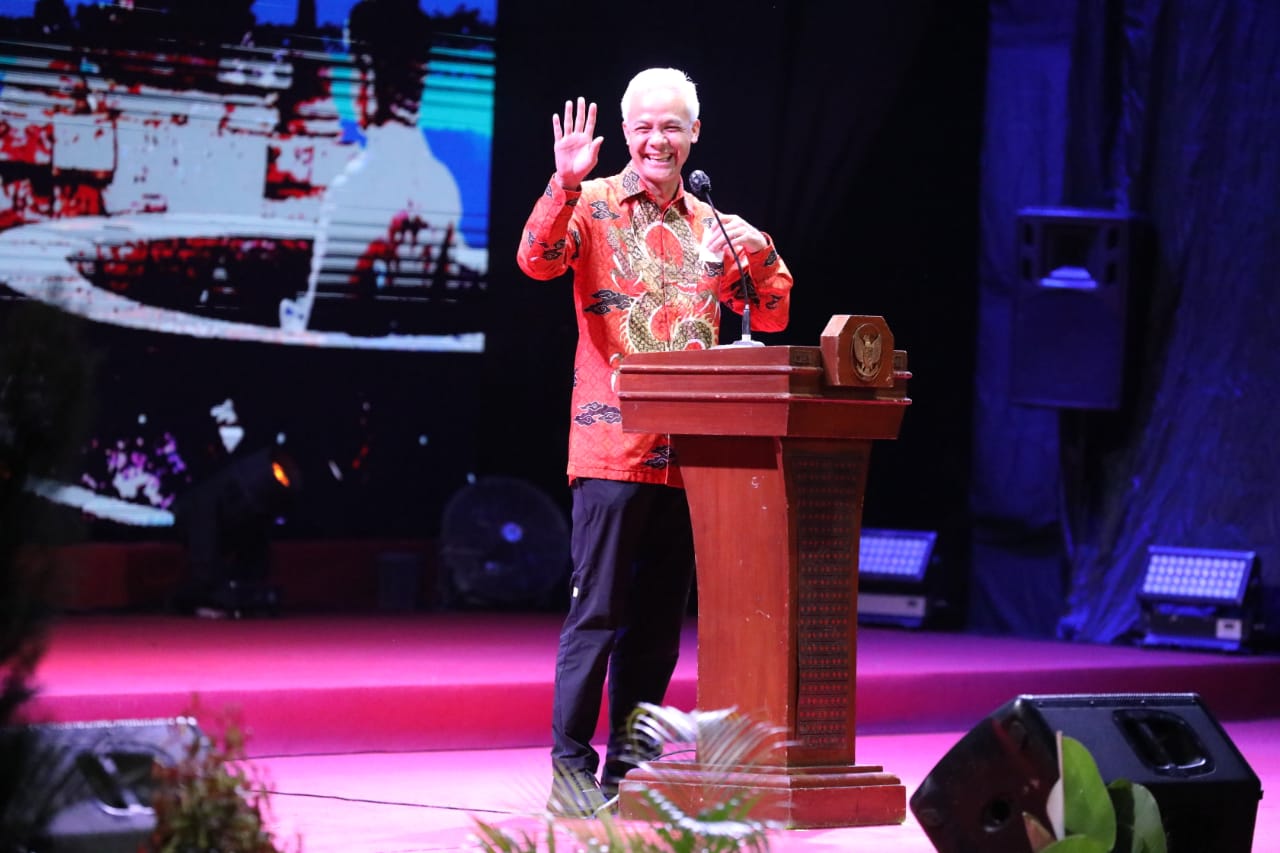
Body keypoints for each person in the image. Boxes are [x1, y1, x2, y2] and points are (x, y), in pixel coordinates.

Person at [516, 67, 793, 816]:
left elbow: (771, 316)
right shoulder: (595, 204)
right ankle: (571, 773)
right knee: (597, 614)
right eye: (642, 126)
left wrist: (758, 246)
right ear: (626, 133)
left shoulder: (714, 223)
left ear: (694, 132)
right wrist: (563, 181)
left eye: (671, 126)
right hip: (611, 450)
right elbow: (536, 260)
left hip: (694, 460)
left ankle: (628, 775)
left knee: (658, 630)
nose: (656, 139)